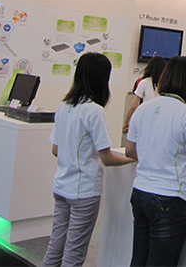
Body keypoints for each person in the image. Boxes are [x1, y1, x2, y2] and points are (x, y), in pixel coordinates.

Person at [42, 52, 135, 267]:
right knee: (74, 254)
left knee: (55, 247)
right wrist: (132, 158)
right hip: (84, 191)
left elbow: (56, 150)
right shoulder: (95, 111)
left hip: (61, 186)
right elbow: (107, 158)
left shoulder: (64, 106)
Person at [126, 56, 186, 267]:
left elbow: (130, 151)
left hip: (140, 193)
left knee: (139, 259)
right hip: (170, 198)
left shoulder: (143, 109)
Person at [123, 56, 165, 133]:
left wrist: (125, 122)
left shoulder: (144, 83)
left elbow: (133, 106)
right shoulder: (165, 85)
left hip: (146, 121)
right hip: (162, 121)